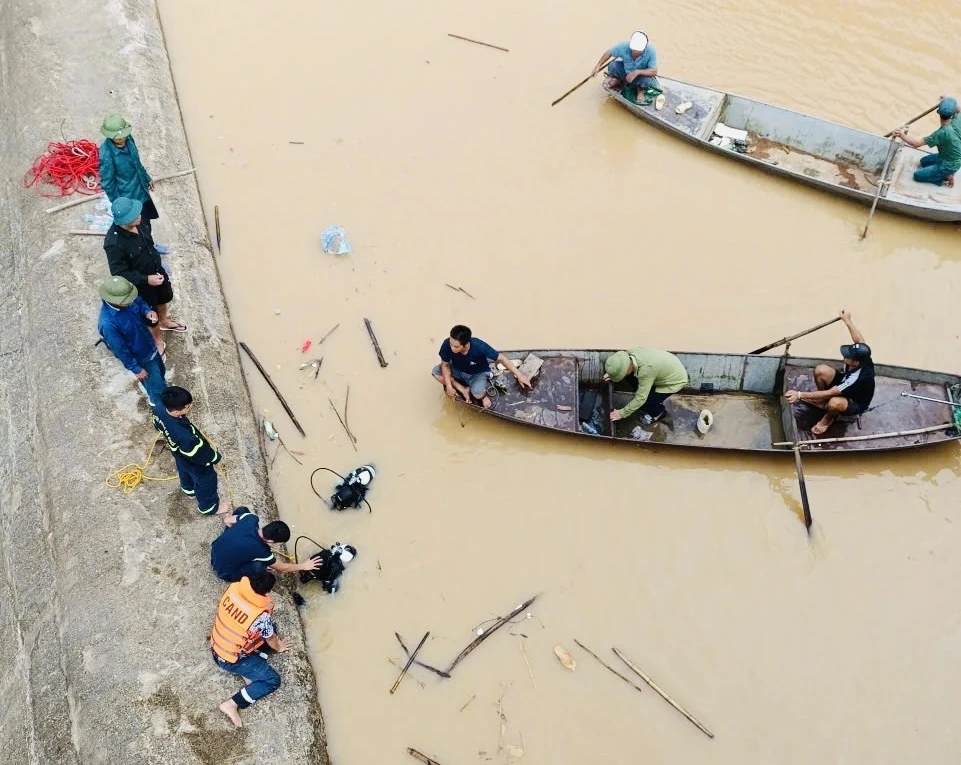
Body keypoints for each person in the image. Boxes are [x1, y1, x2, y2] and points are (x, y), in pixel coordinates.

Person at [104, 197, 186, 351]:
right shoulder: (114, 243)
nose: (140, 215)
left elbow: (150, 243)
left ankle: (164, 321)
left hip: (157, 271)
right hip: (141, 285)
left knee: (164, 297)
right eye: (135, 216)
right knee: (150, 314)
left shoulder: (141, 221)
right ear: (124, 221)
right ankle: (157, 340)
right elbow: (119, 273)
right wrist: (146, 279)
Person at [210, 571, 286, 728]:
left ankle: (249, 670)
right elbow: (271, 639)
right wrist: (279, 647)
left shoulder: (234, 589)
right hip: (230, 660)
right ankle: (231, 704)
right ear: (267, 592)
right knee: (272, 680)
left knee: (269, 630)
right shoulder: (261, 618)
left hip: (217, 645)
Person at [784, 310, 874, 436]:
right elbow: (860, 340)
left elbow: (830, 393)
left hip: (855, 401)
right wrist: (847, 320)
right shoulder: (863, 357)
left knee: (834, 402)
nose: (844, 356)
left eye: (847, 356)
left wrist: (799, 395)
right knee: (821, 370)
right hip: (844, 381)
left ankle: (829, 417)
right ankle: (822, 402)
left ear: (856, 363)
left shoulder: (857, 377)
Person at [152, 386, 231, 515]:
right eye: (187, 407)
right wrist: (214, 457)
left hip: (177, 452)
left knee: (184, 469)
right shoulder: (185, 436)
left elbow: (157, 426)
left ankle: (189, 490)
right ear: (177, 412)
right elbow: (198, 453)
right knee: (206, 480)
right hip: (193, 458)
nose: (190, 408)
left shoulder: (159, 408)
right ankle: (209, 507)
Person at [97, 276, 166, 407]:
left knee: (160, 374)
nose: (131, 302)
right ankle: (159, 406)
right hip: (142, 359)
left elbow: (139, 302)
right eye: (127, 301)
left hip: (150, 347)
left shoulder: (128, 301)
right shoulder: (108, 324)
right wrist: (137, 369)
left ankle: (161, 390)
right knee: (155, 387)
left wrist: (147, 312)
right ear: (114, 300)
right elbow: (120, 350)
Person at [432, 325, 532, 409]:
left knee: (478, 394)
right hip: (458, 369)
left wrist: (520, 375)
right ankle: (463, 389)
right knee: (436, 372)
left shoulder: (479, 347)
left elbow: (501, 358)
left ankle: (482, 396)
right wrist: (449, 387)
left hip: (477, 374)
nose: (452, 348)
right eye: (451, 344)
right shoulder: (447, 344)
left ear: (466, 344)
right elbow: (445, 365)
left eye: (456, 347)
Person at [211, 506, 321, 582]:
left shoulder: (251, 519)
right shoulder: (263, 552)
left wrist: (237, 535)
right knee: (260, 566)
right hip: (224, 572)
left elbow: (227, 521)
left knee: (242, 510)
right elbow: (283, 568)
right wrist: (304, 566)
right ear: (271, 541)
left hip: (215, 550)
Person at [98, 114, 160, 236]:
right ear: (110, 137)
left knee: (146, 221)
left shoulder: (129, 139)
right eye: (119, 138)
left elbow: (137, 163)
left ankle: (150, 243)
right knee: (137, 227)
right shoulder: (106, 155)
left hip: (141, 190)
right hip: (128, 196)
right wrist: (121, 207)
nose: (123, 139)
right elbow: (108, 184)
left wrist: (147, 178)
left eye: (124, 135)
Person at [603, 347, 689, 426]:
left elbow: (641, 399)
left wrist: (621, 413)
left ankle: (659, 414)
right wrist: (613, 373)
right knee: (630, 377)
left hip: (674, 381)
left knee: (645, 403)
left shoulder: (646, 371)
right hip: (666, 366)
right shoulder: (629, 354)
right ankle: (646, 390)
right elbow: (621, 366)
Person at [892, 97, 961, 187]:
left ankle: (944, 177)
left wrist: (901, 135)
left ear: (939, 113)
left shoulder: (941, 133)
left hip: (949, 164)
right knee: (923, 161)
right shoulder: (958, 118)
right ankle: (946, 172)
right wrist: (946, 103)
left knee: (917, 176)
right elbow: (958, 109)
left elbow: (916, 144)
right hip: (948, 156)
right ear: (953, 113)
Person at [591, 30, 659, 102]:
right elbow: (609, 52)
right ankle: (618, 80)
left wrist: (637, 72)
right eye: (634, 50)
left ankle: (640, 90)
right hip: (625, 71)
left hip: (640, 77)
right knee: (612, 66)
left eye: (639, 51)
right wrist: (598, 65)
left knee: (647, 80)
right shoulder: (624, 46)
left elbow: (654, 71)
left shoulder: (651, 51)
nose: (635, 53)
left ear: (645, 47)